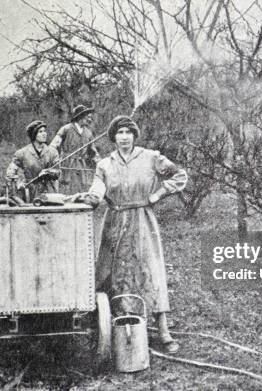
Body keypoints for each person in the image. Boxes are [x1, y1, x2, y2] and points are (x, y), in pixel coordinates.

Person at [77, 115, 187, 354]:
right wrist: (90, 198)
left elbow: (180, 175)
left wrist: (157, 195)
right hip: (115, 222)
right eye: (120, 133)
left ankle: (163, 330)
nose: (124, 137)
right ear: (113, 137)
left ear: (134, 136)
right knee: (112, 272)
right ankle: (117, 323)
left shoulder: (150, 157)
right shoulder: (105, 164)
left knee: (150, 269)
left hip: (143, 220)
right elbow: (97, 189)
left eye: (128, 132)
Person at [50, 105, 101, 194]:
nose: (89, 119)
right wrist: (51, 161)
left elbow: (93, 152)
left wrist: (101, 164)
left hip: (82, 167)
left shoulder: (88, 133)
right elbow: (53, 146)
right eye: (87, 116)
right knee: (66, 190)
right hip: (67, 165)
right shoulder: (66, 129)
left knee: (82, 190)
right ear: (80, 116)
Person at [6, 120, 61, 202]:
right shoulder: (22, 153)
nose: (44, 134)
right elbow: (10, 173)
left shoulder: (53, 152)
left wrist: (49, 172)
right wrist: (18, 183)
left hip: (49, 192)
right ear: (34, 135)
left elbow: (58, 172)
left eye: (44, 131)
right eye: (40, 132)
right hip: (30, 193)